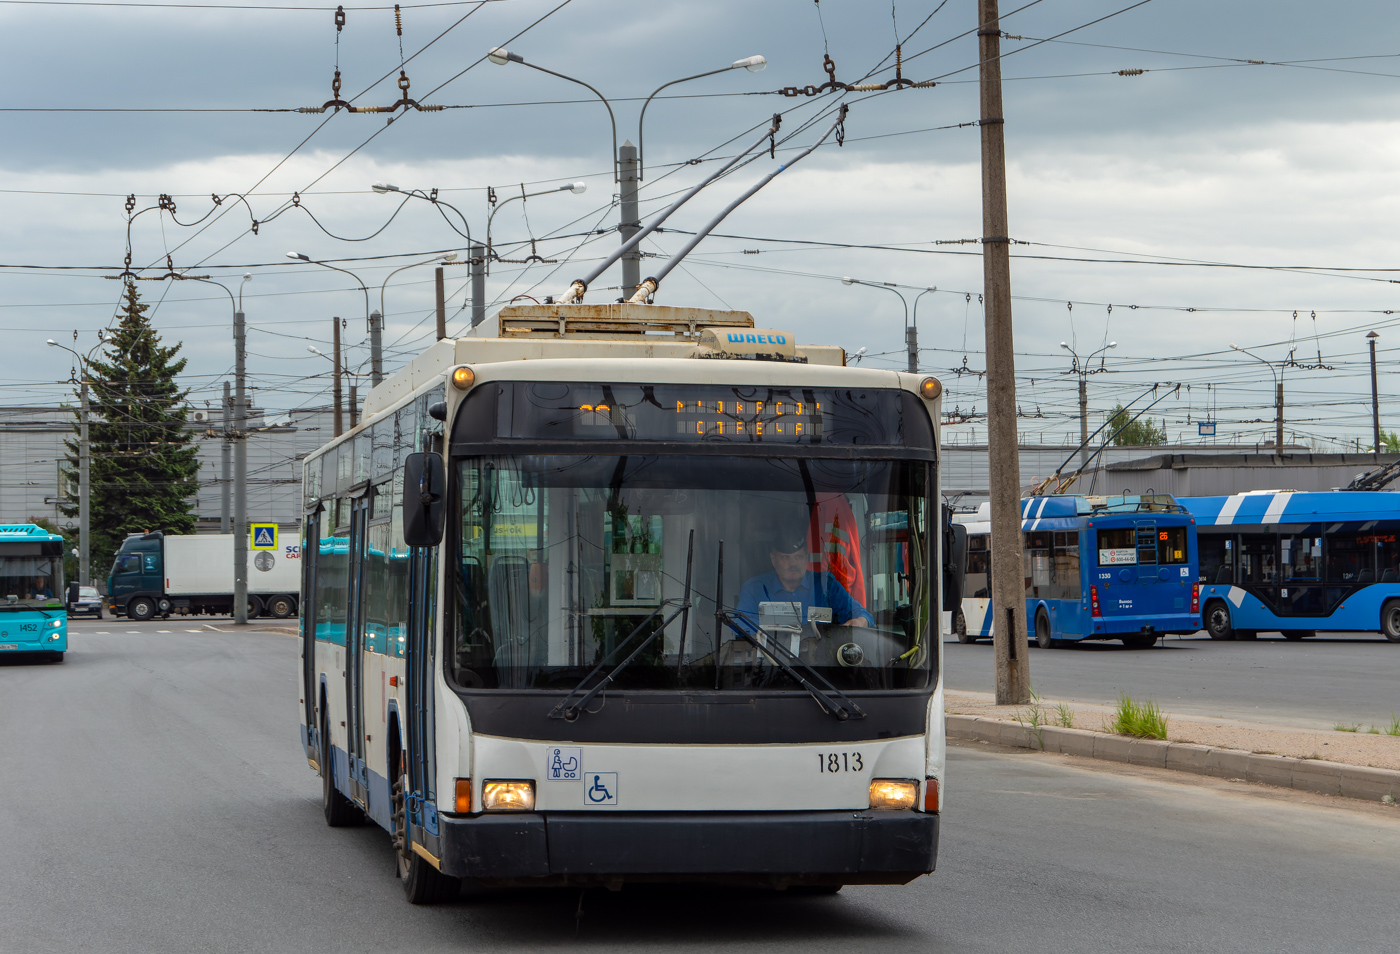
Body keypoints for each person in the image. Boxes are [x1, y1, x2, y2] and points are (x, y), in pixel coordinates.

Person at [735, 529, 873, 633]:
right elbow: (740, 625)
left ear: (806, 557)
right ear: (773, 559)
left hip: (818, 665)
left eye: (798, 557)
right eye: (785, 558)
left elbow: (861, 613)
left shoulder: (826, 585)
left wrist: (861, 621)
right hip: (770, 664)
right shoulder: (755, 589)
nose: (793, 563)